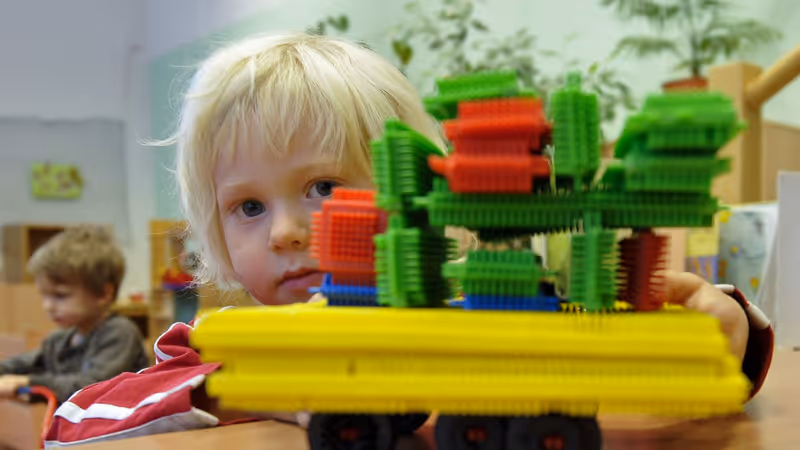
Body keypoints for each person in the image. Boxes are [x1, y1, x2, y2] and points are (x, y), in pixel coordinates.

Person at [42, 32, 773, 447]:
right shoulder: (214, 346)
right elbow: (72, 419)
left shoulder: (468, 314)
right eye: (249, 206)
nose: (288, 231)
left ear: (415, 193)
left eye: (324, 187)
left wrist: (726, 327)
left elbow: (626, 371)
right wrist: (242, 392)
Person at [0, 225, 149, 404]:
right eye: (44, 295)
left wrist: (27, 382)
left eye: (60, 296)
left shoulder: (119, 333)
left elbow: (92, 387)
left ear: (103, 294)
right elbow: (21, 365)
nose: (48, 306)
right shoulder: (59, 340)